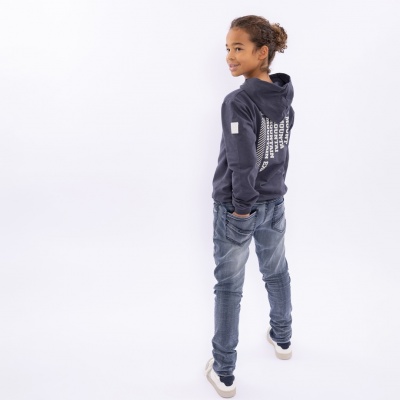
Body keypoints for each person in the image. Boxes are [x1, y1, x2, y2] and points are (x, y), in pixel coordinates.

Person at [205, 15, 295, 398]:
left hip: (239, 207)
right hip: (274, 201)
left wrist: (241, 209)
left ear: (262, 53)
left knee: (229, 288)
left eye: (238, 48)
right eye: (228, 48)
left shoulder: (238, 102)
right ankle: (283, 337)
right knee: (276, 271)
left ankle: (223, 371)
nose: (229, 55)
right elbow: (278, 154)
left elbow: (243, 163)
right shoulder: (283, 97)